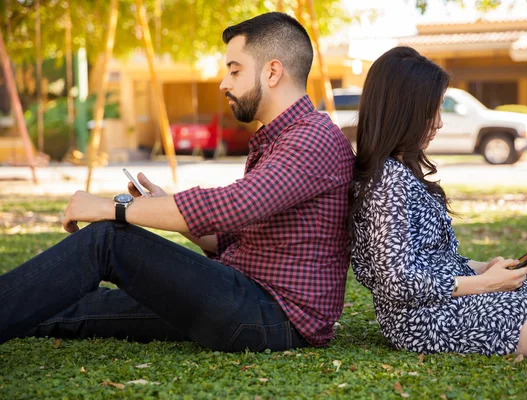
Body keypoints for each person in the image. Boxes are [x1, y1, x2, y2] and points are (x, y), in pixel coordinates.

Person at [0, 12, 355, 352]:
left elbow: (234, 205)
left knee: (107, 240)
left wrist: (111, 208)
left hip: (272, 314)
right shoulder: (283, 138)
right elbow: (230, 236)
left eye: (235, 70)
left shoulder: (313, 138)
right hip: (246, 299)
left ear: (272, 72)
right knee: (86, 307)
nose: (224, 83)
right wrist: (160, 202)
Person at [350, 46, 527, 357]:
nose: (439, 123)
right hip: (430, 318)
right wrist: (486, 284)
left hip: (459, 293)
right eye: (433, 110)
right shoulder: (385, 179)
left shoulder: (400, 169)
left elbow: (431, 259)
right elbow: (397, 283)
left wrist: (485, 269)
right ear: (405, 110)